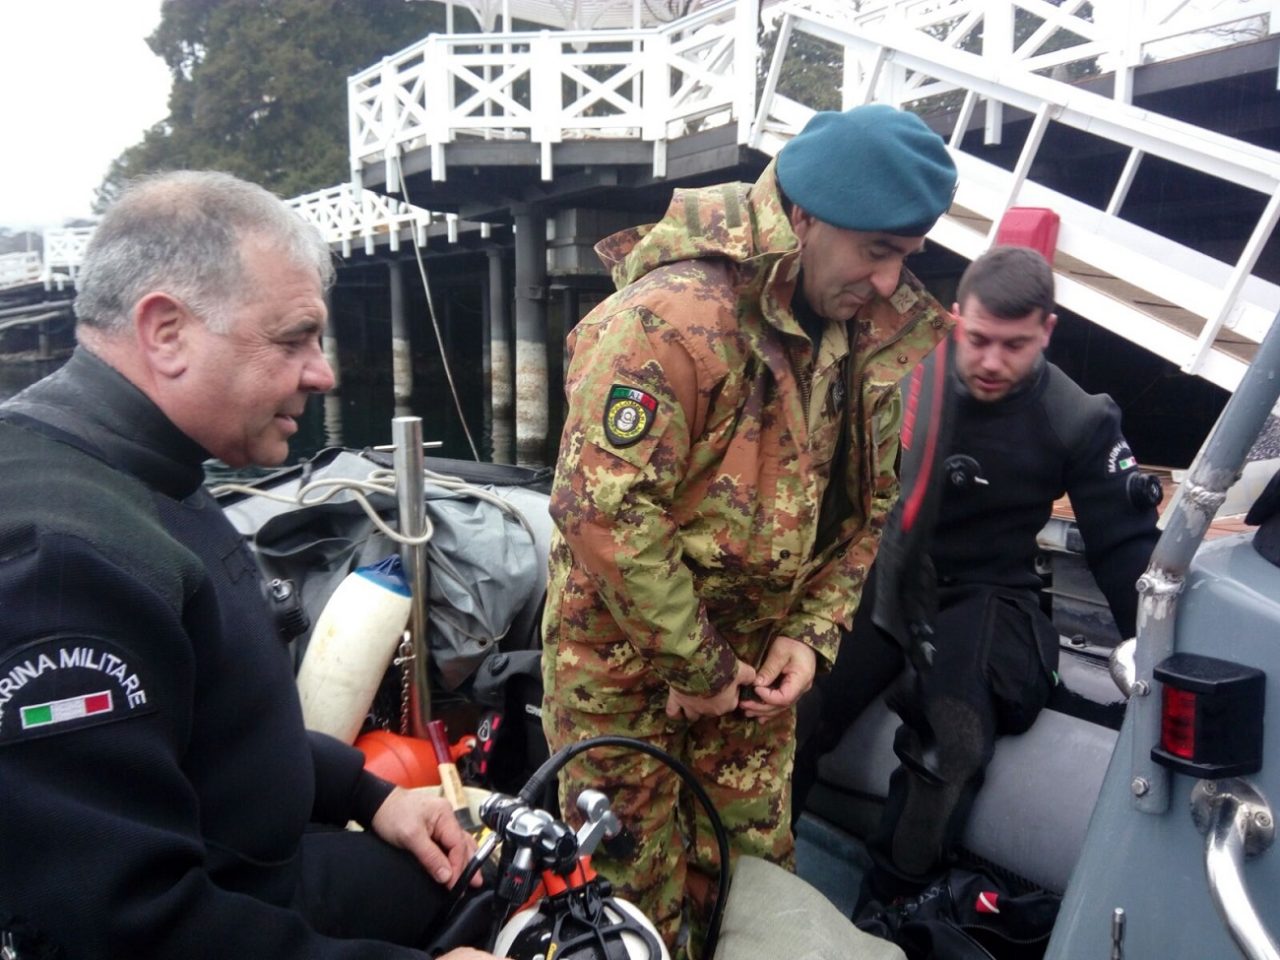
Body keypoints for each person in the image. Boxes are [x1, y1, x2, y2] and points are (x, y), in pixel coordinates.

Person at [0, 171, 498, 960]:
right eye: (293, 338)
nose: (323, 372)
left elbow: (211, 725)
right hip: (208, 909)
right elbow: (119, 930)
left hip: (258, 858)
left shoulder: (147, 471)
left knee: (478, 881)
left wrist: (368, 795)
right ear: (166, 333)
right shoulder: (63, 570)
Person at [539, 103, 959, 956]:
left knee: (752, 891)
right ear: (803, 216)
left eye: (906, 257)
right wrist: (693, 663)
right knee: (634, 913)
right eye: (876, 251)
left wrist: (812, 633)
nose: (889, 282)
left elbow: (865, 508)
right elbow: (605, 509)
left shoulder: (864, 336)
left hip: (754, 685)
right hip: (627, 682)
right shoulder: (672, 318)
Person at [797, 245, 1162, 907]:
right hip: (890, 568)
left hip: (989, 589)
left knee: (956, 735)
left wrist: (1170, 668)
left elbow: (1125, 554)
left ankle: (887, 911)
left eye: (1015, 345)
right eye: (979, 339)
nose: (992, 361)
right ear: (956, 317)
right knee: (797, 702)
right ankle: (755, 865)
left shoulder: (1078, 418)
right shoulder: (901, 379)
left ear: (1047, 332)